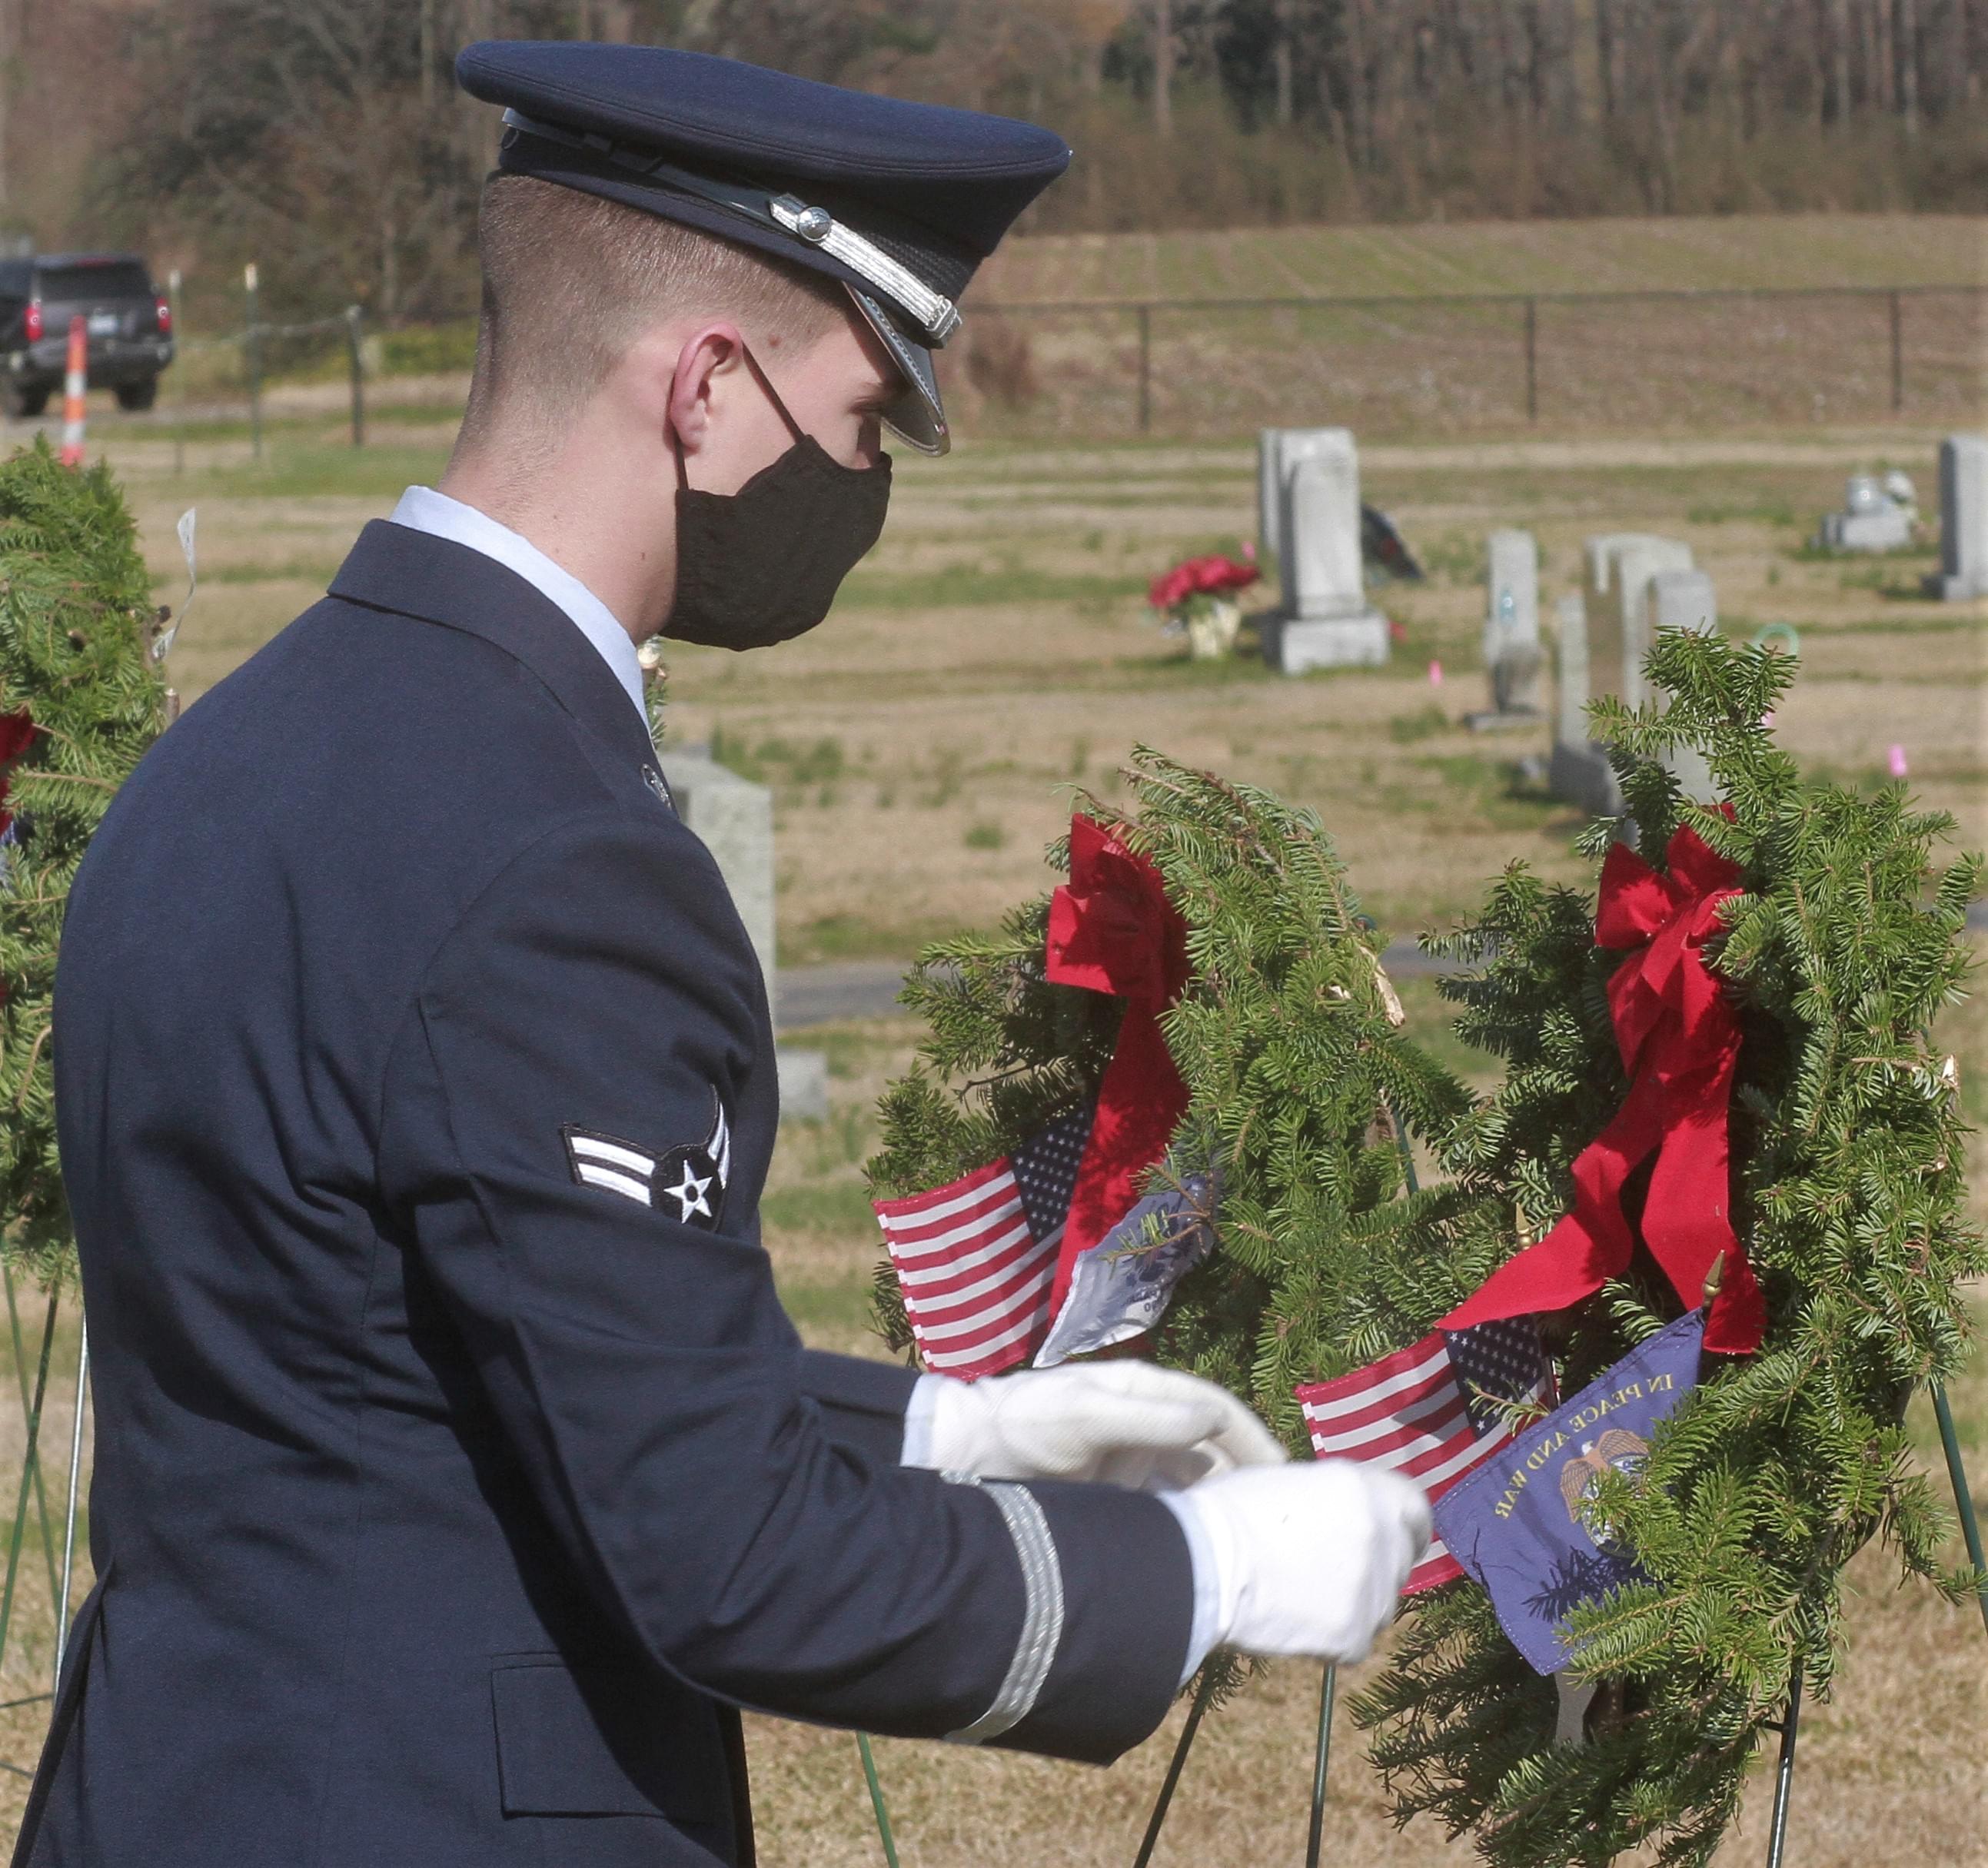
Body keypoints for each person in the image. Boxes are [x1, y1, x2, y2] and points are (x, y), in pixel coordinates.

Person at [16, 42, 1431, 1868]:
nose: (861, 479)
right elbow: (730, 1562)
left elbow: (420, 1345)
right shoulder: (555, 858)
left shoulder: (228, 756)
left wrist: (950, 1434)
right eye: (857, 422)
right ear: (705, 386)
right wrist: (1205, 1568)